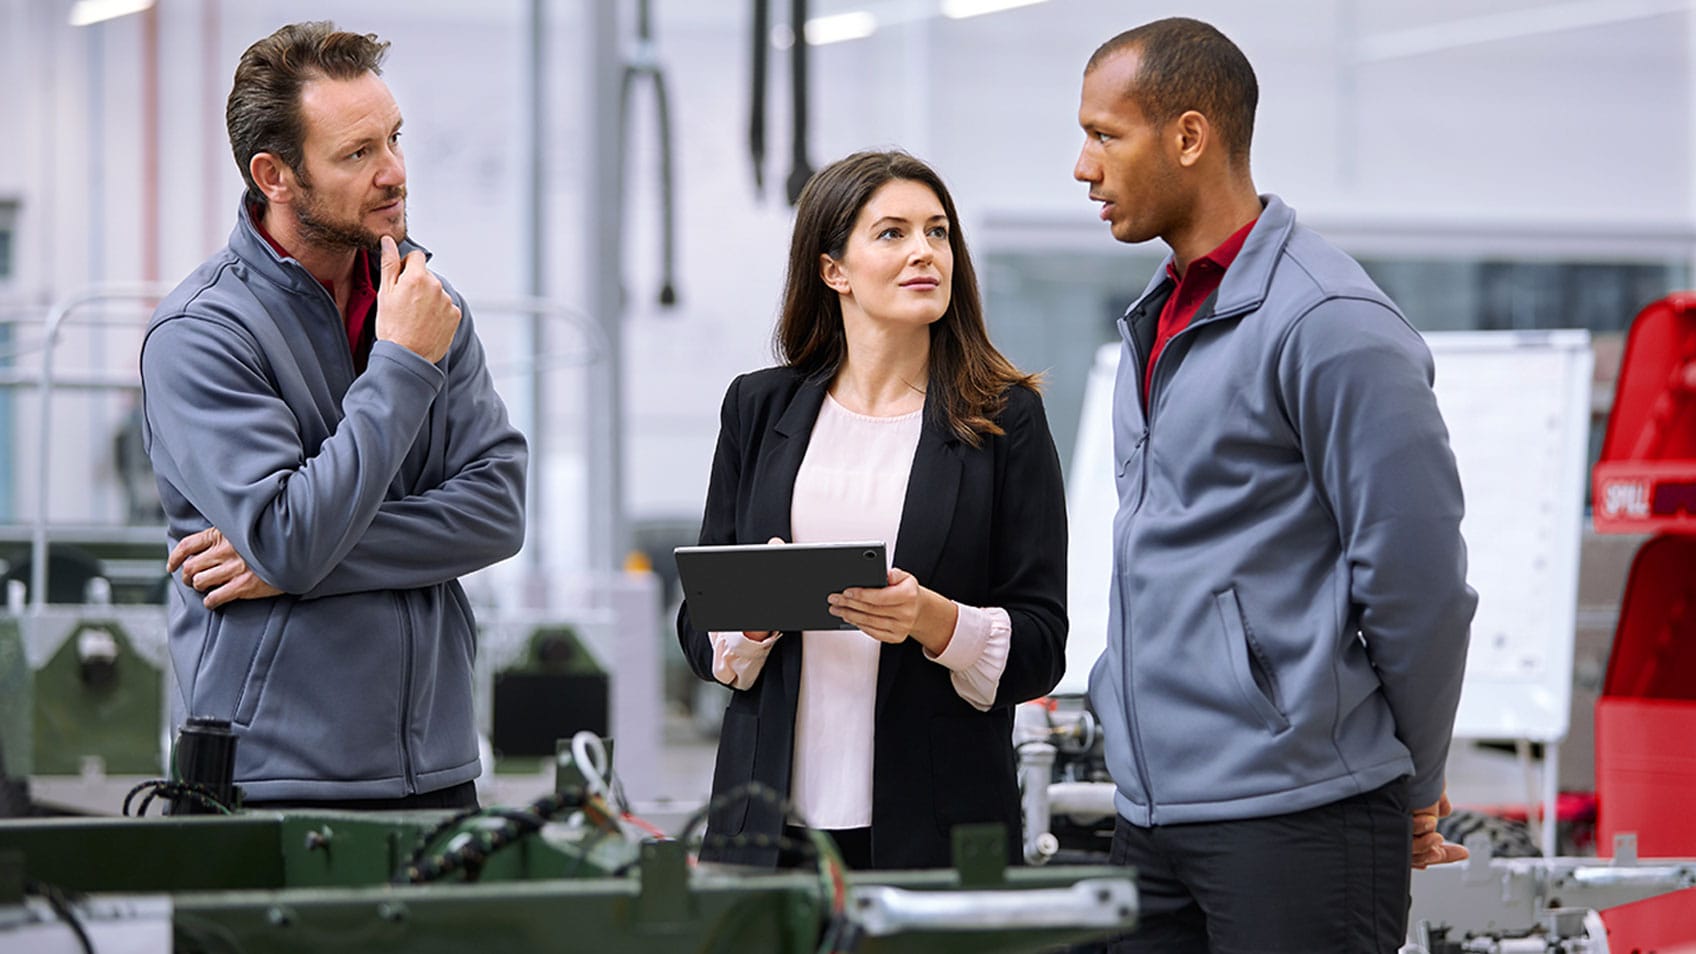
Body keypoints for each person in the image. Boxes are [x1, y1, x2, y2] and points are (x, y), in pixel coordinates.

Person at [1073, 18, 1477, 952]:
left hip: (1299, 817)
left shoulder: (1329, 323)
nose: (1084, 168)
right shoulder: (1162, 313)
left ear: (1187, 137)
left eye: (1105, 135)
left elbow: (1419, 586)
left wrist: (1415, 784)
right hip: (1154, 814)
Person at [140, 21, 526, 809]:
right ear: (274, 175)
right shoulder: (202, 335)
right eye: (357, 154)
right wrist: (404, 366)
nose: (394, 173)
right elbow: (289, 533)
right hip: (272, 776)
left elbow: (498, 512)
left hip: (440, 767)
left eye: (393, 138)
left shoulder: (421, 300)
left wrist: (286, 568)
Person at [677, 150, 1068, 870]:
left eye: (939, 232)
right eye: (893, 233)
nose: (925, 252)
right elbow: (700, 631)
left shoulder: (1006, 420)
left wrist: (934, 621)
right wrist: (753, 618)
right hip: (768, 832)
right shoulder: (758, 409)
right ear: (834, 270)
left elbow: (1043, 644)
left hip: (940, 829)